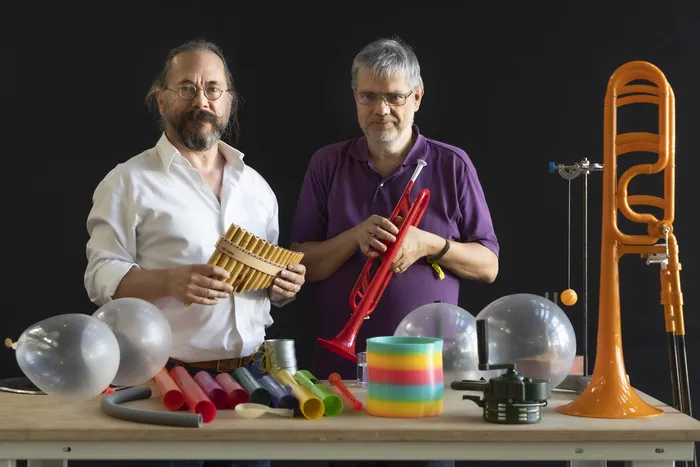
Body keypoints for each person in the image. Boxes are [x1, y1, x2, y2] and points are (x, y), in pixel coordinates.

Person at [83, 39, 305, 467]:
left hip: (253, 380)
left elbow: (268, 288)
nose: (200, 100)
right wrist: (170, 280)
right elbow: (100, 275)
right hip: (167, 381)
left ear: (229, 102)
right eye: (186, 88)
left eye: (212, 89)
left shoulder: (257, 188)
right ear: (160, 99)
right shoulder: (127, 182)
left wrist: (284, 287)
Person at [289, 38, 499, 467]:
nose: (381, 110)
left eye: (394, 97)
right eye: (369, 96)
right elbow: (301, 264)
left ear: (417, 97)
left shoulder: (452, 165)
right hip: (339, 376)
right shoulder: (326, 163)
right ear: (355, 98)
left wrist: (429, 245)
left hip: (428, 379)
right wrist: (352, 238)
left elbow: (489, 265)